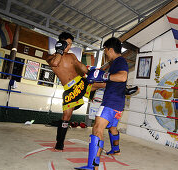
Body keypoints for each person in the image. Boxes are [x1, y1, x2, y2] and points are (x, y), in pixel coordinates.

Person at [45, 32, 106, 151]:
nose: (69, 46)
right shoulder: (51, 57)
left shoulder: (72, 56)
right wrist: (60, 50)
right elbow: (55, 63)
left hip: (80, 82)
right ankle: (59, 144)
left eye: (70, 44)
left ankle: (122, 89)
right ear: (60, 43)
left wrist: (90, 74)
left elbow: (81, 66)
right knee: (66, 116)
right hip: (70, 90)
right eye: (67, 44)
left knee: (103, 83)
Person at [75, 37, 128, 170]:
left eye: (105, 51)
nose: (105, 54)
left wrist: (104, 76)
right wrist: (93, 81)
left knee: (97, 128)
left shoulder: (120, 61)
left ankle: (93, 166)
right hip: (115, 102)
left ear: (110, 49)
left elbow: (122, 77)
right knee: (104, 128)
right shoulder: (115, 64)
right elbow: (109, 82)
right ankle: (95, 163)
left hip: (111, 102)